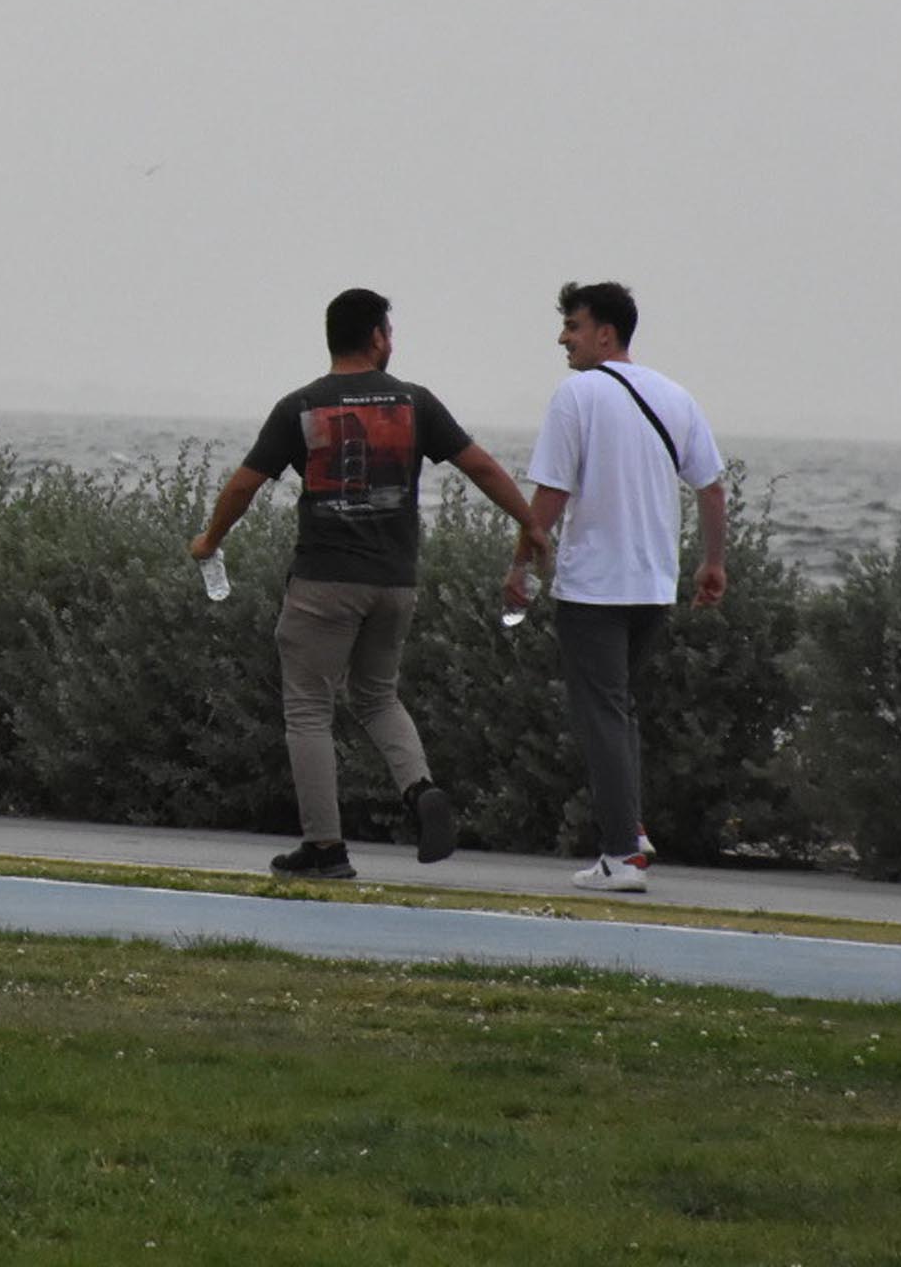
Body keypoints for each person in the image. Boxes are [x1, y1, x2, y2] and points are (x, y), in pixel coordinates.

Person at [190, 288, 551, 880]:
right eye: (390, 330)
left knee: (308, 709)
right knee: (378, 696)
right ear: (378, 336)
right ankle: (421, 789)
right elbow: (480, 465)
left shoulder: (299, 407)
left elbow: (243, 486)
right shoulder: (416, 403)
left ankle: (325, 849)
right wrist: (529, 522)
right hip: (395, 583)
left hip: (323, 583)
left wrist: (210, 540)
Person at [510, 280, 727, 895]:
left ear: (605, 332)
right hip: (653, 586)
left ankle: (620, 856)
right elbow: (711, 487)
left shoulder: (576, 395)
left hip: (594, 589)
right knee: (620, 709)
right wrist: (714, 563)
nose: (563, 338)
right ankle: (629, 828)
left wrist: (519, 567)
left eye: (572, 327)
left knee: (600, 715)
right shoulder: (676, 396)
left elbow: (548, 497)